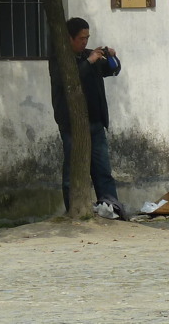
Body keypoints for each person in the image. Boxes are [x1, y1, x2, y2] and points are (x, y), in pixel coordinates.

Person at [50, 16, 121, 212]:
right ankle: (75, 211)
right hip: (72, 125)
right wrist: (89, 62)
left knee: (103, 171)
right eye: (81, 38)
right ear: (69, 39)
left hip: (96, 123)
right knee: (72, 172)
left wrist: (111, 56)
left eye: (87, 38)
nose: (85, 42)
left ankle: (111, 209)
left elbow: (113, 70)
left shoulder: (90, 56)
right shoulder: (60, 60)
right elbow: (69, 80)